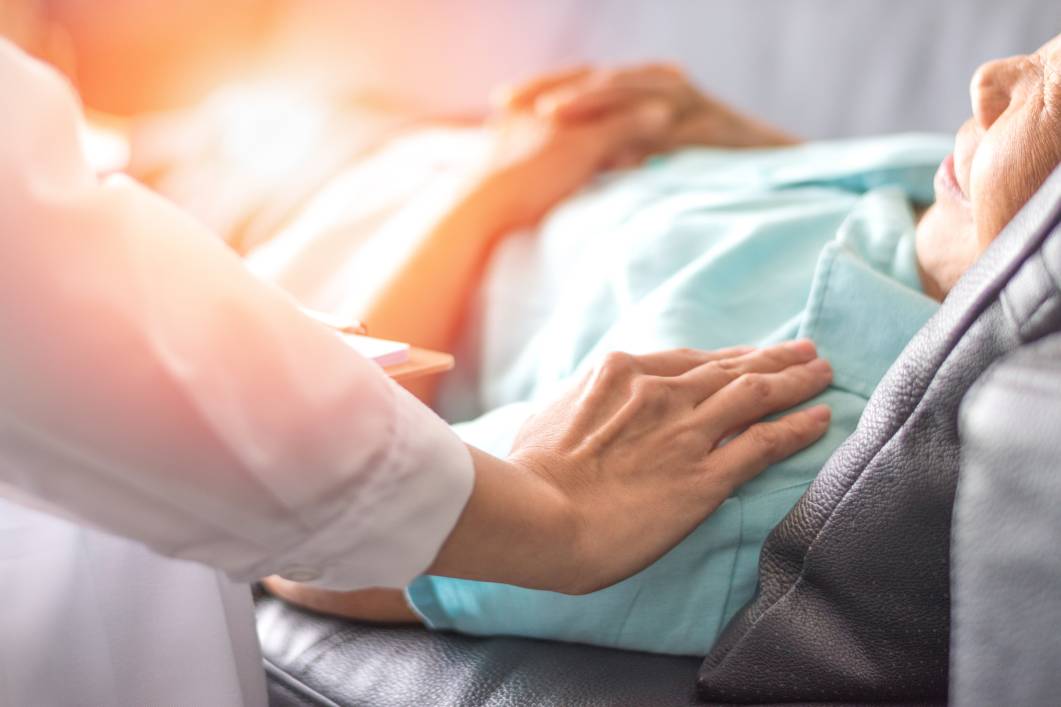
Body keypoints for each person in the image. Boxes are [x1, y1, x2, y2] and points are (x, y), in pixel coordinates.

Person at [0, 29, 834, 707]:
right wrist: (774, 162)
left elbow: (284, 481)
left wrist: (492, 189)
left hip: (289, 203)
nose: (973, 99)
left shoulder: (820, 420)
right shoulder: (922, 183)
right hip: (342, 156)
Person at [264, 34, 1061, 655]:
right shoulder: (955, 201)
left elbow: (302, 518)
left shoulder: (752, 458)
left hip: (280, 244)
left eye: (1052, 97)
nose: (988, 79)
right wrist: (734, 153)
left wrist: (491, 190)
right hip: (370, 139)